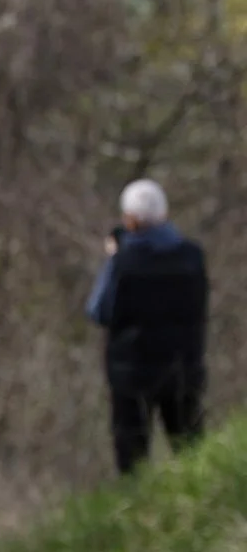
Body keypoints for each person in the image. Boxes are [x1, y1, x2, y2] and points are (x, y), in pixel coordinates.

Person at [86, 178, 209, 474]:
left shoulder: (123, 262)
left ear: (129, 220)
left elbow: (98, 311)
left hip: (133, 374)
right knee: (191, 451)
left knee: (134, 461)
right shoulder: (193, 257)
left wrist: (114, 257)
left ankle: (141, 504)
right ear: (164, 214)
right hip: (183, 367)